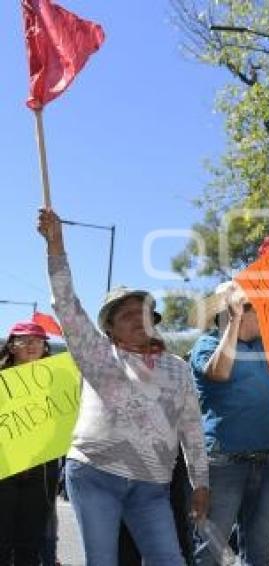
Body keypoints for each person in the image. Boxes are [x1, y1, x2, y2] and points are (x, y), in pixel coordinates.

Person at [37, 208, 209, 566]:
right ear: (109, 329)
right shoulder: (98, 355)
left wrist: (201, 483)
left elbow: (192, 428)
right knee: (102, 561)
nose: (137, 319)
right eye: (126, 314)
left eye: (144, 312)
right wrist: (56, 247)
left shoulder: (177, 368)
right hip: (95, 474)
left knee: (169, 560)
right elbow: (67, 305)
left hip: (152, 486)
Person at [188, 281, 269, 566]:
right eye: (252, 307)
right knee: (210, 552)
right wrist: (234, 320)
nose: (262, 314)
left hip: (264, 462)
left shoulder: (263, 346)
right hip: (224, 463)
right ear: (228, 312)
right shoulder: (206, 344)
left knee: (259, 554)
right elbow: (219, 373)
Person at [0, 321, 61, 565]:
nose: (32, 344)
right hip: (4, 468)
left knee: (31, 540)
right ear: (12, 346)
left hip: (41, 469)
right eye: (24, 340)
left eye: (37, 340)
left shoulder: (58, 382)